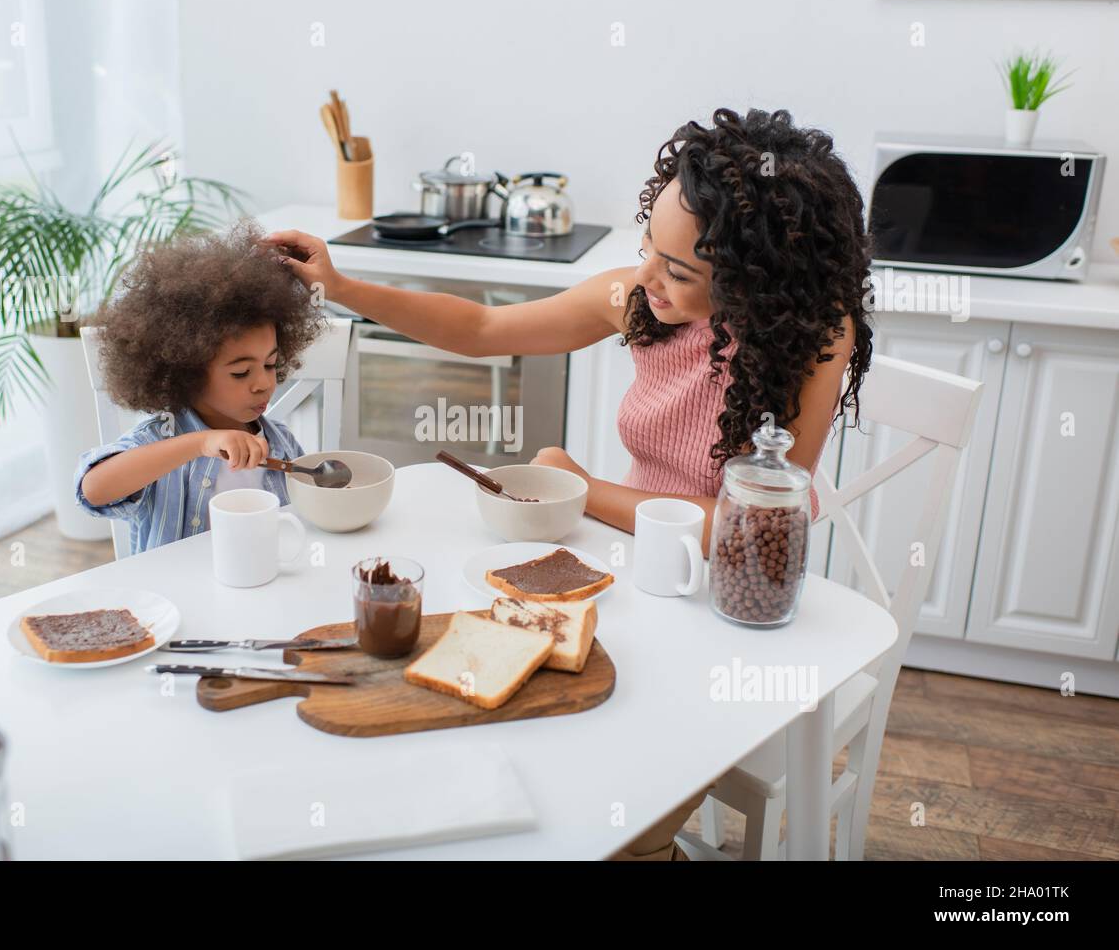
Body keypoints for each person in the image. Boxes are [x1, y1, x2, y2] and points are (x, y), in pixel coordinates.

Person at [270, 108, 877, 859]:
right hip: (628, 579)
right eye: (647, 248)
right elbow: (485, 331)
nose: (646, 276)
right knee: (533, 736)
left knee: (624, 820)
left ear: (757, 281)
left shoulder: (813, 337)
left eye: (680, 270)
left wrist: (584, 488)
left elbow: (741, 524)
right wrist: (343, 283)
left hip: (735, 610)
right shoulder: (643, 304)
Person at [74, 221, 325, 555]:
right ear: (187, 372)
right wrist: (200, 443)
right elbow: (93, 490)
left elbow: (307, 523)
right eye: (240, 373)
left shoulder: (281, 443)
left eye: (269, 364)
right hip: (175, 601)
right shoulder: (159, 439)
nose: (264, 383)